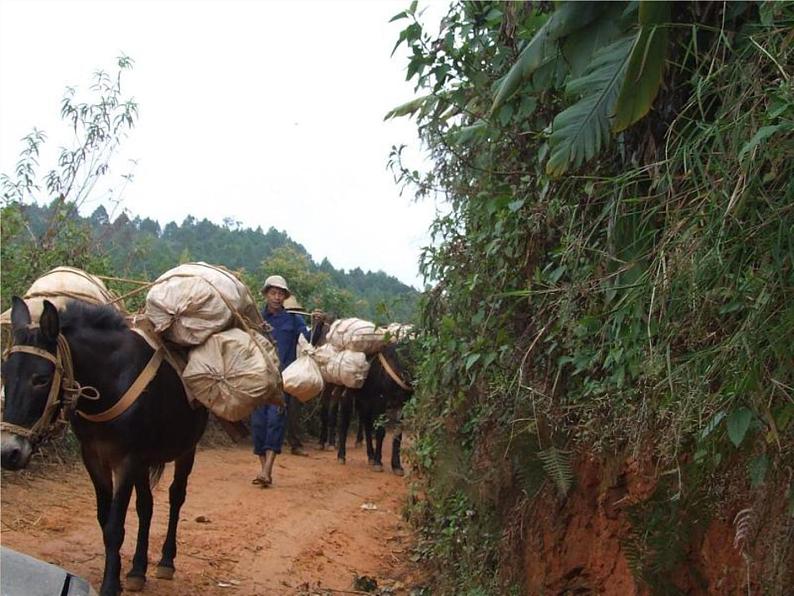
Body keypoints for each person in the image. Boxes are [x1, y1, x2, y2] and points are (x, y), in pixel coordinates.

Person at [250, 274, 323, 487]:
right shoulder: (257, 319)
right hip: (259, 378)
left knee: (275, 422)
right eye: (273, 292)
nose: (276, 297)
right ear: (266, 294)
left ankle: (267, 470)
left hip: (281, 381)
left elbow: (310, 340)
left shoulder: (293, 319)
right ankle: (263, 469)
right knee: (258, 424)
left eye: (280, 293)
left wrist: (317, 325)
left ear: (284, 297)